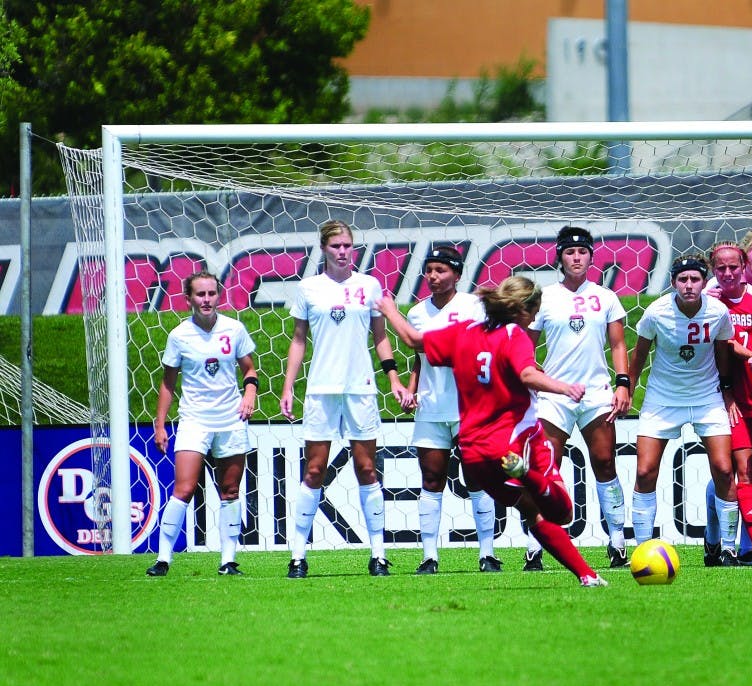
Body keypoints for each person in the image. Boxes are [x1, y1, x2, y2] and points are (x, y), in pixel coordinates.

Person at [378, 275, 609, 587]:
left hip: (475, 454)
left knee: (532, 511)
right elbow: (527, 373)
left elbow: (414, 341)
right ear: (525, 311)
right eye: (536, 312)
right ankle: (527, 474)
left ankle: (588, 576)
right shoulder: (514, 335)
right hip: (516, 441)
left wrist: (390, 310)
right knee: (562, 512)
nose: (536, 318)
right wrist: (563, 387)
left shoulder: (464, 333)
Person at [280, 219, 409, 578]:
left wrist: (394, 379)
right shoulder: (309, 289)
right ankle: (298, 556)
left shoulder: (369, 286)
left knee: (367, 468)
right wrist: (289, 386)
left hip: (360, 387)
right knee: (315, 469)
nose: (341, 251)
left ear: (353, 249)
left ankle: (379, 555)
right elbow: (299, 340)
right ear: (323, 248)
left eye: (347, 245)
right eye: (335, 246)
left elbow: (380, 337)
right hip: (321, 388)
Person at [522, 226, 631, 572]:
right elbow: (525, 344)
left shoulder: (606, 297)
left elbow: (617, 345)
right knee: (545, 468)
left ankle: (617, 543)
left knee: (604, 463)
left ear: (591, 256)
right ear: (560, 258)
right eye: (570, 252)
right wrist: (535, 379)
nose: (576, 257)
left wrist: (623, 384)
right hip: (555, 396)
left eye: (582, 252)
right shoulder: (545, 297)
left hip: (596, 393)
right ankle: (535, 546)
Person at [627, 253, 742, 566]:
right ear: (673, 282)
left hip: (706, 397)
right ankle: (643, 551)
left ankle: (726, 548)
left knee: (722, 469)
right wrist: (625, 387)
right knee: (645, 471)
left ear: (704, 282)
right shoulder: (656, 312)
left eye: (695, 279)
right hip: (662, 400)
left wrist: (728, 394)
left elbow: (723, 356)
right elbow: (638, 356)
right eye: (682, 279)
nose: (689, 285)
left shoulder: (718, 312)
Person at [146, 270, 257, 577]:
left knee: (230, 489)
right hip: (194, 420)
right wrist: (160, 423)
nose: (206, 300)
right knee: (183, 488)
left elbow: (249, 369)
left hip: (230, 420)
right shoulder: (179, 336)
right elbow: (168, 383)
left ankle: (228, 560)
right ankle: (163, 559)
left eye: (211, 294)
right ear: (189, 299)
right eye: (200, 294)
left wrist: (249, 393)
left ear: (218, 295)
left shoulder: (234, 329)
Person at [404, 246, 501, 574]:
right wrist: (410, 388)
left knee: (477, 478)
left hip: (470, 408)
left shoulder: (475, 307)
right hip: (432, 407)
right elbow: (420, 358)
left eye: (441, 270)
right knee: (431, 479)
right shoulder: (417, 313)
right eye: (429, 270)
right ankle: (429, 557)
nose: (433, 276)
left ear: (457, 275)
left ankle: (487, 554)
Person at [704, 229, 752, 565]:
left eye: (734, 267)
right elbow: (721, 345)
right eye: (722, 268)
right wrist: (744, 357)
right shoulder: (709, 302)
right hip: (728, 399)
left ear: (742, 265)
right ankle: (740, 545)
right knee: (737, 473)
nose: (729, 273)